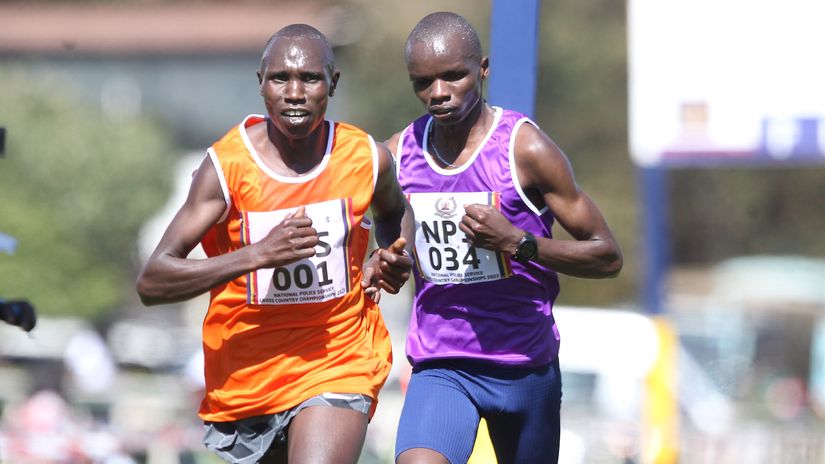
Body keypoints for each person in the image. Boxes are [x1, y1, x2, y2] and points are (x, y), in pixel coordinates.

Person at [137, 24, 414, 464]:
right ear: (261, 84)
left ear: (333, 83)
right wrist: (259, 254)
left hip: (338, 356)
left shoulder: (364, 156)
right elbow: (153, 281)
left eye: (310, 78)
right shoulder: (227, 167)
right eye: (280, 78)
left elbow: (395, 211)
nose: (295, 93)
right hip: (249, 372)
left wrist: (396, 254)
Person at [385, 12, 623, 464]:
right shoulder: (399, 154)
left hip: (524, 366)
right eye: (423, 82)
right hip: (443, 365)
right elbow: (379, 239)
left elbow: (607, 256)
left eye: (454, 76)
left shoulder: (524, 149)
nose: (439, 93)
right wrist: (385, 263)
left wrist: (518, 243)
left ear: (483, 69)